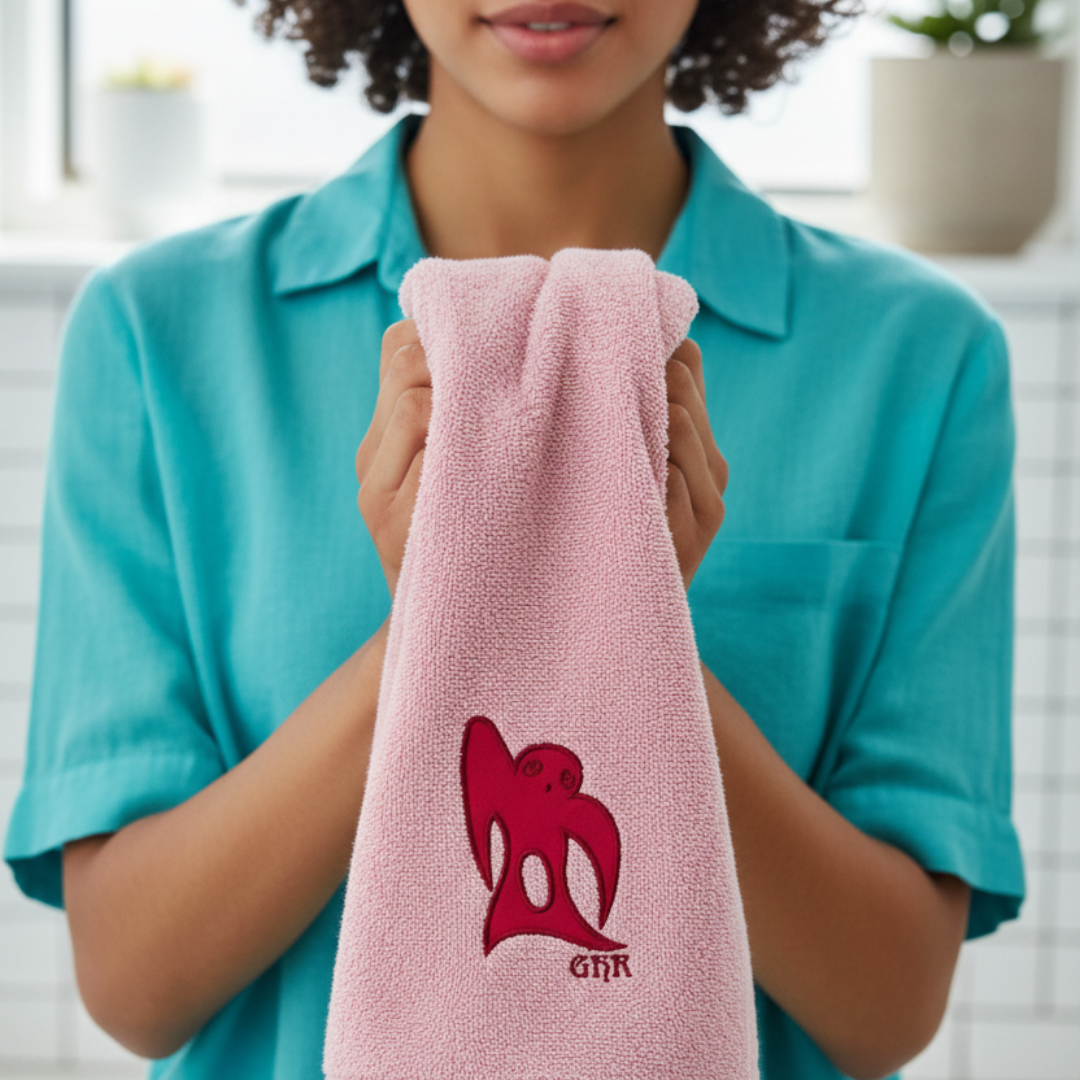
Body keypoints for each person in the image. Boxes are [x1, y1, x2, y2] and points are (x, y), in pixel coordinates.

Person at [3, 1, 1025, 1078]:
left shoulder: (921, 358)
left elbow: (890, 1005)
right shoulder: (158, 336)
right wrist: (461, 608)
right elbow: (132, 981)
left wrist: (629, 627)